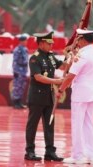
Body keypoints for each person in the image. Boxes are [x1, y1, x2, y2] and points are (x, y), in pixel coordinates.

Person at [57, 28, 93, 164]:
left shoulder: (82, 55)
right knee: (89, 123)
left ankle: (78, 156)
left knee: (77, 124)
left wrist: (60, 90)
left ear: (82, 40)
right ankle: (91, 155)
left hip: (81, 93)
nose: (76, 42)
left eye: (78, 39)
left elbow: (71, 75)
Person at [24, 31, 64, 161]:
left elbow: (63, 66)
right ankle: (29, 151)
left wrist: (71, 57)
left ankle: (50, 152)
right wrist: (56, 81)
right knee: (32, 125)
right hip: (37, 96)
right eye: (48, 43)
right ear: (41, 44)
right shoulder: (35, 58)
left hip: (49, 97)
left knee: (49, 125)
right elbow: (38, 77)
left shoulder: (51, 56)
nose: (51, 46)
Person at [12, 33, 30, 109]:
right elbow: (15, 61)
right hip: (18, 70)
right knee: (17, 86)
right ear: (21, 41)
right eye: (25, 41)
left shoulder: (25, 49)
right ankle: (16, 102)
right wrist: (15, 71)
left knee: (22, 86)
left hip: (24, 70)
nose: (26, 42)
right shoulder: (17, 50)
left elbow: (26, 60)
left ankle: (20, 102)